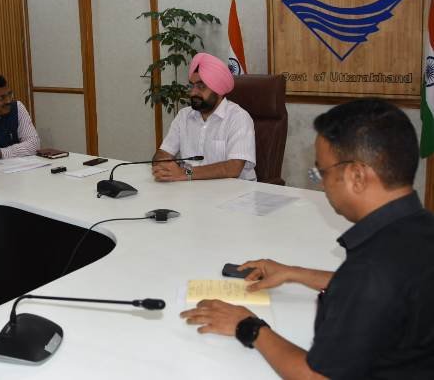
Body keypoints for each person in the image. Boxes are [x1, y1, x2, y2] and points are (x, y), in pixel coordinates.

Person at [180, 98, 434, 378]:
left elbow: (315, 376)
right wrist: (295, 273)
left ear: (357, 176)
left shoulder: (370, 270)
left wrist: (247, 324)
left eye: (321, 173)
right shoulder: (419, 227)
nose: (322, 184)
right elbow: (394, 289)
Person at [152, 52, 256, 181]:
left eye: (201, 86)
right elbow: (164, 152)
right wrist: (163, 164)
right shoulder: (183, 116)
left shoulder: (239, 118)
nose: (193, 92)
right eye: (192, 85)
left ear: (218, 90)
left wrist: (184, 173)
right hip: (191, 189)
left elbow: (233, 168)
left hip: (235, 191)